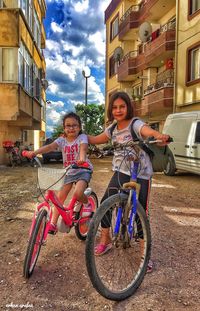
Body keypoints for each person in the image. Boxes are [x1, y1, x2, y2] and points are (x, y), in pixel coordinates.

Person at [88, 91, 170, 272]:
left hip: (141, 172)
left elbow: (147, 131)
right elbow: (97, 139)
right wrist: (80, 136)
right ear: (111, 110)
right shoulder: (112, 129)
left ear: (128, 108)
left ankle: (144, 254)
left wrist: (159, 135)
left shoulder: (135, 123)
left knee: (141, 211)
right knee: (105, 204)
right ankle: (105, 239)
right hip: (121, 171)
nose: (118, 110)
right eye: (115, 107)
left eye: (122, 107)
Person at [25, 112, 93, 234]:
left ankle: (87, 204)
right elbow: (50, 147)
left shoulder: (82, 138)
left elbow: (83, 148)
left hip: (83, 169)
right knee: (59, 198)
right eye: (68, 126)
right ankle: (53, 223)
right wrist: (35, 152)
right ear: (64, 128)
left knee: (78, 193)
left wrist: (82, 158)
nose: (71, 128)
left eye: (74, 125)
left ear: (79, 127)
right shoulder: (62, 140)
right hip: (69, 171)